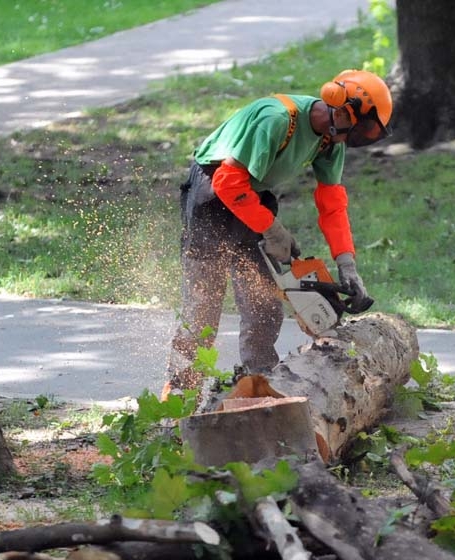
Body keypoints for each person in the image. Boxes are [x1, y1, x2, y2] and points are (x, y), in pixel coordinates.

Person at [162, 69, 393, 398]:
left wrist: (346, 264)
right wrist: (271, 229)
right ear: (341, 110)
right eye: (361, 129)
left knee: (264, 304)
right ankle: (178, 397)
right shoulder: (278, 120)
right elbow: (228, 182)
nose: (355, 139)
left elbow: (332, 204)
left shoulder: (331, 141)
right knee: (204, 305)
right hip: (211, 193)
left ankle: (259, 387)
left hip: (252, 196)